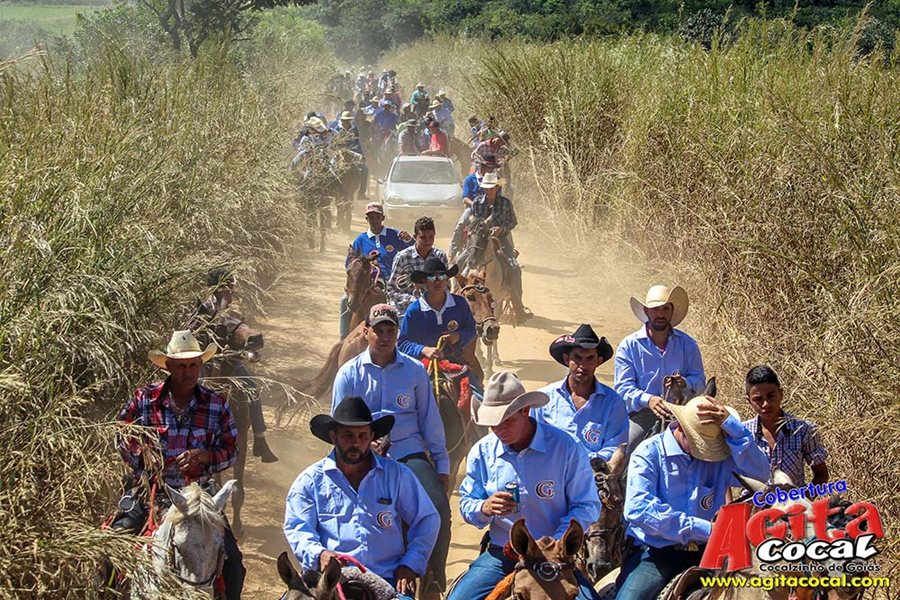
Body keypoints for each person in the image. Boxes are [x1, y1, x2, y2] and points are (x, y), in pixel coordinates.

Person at [332, 304, 451, 599]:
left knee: (438, 509)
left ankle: (434, 575)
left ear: (397, 334)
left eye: (391, 331)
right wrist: (359, 447)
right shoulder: (349, 373)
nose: (385, 337)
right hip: (360, 454)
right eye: (379, 330)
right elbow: (336, 423)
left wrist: (442, 465)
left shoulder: (414, 371)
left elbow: (430, 420)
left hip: (408, 453)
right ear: (366, 331)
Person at [448, 371, 602, 600]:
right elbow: (468, 503)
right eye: (493, 424)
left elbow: (587, 504)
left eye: (506, 421)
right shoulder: (482, 451)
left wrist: (556, 543)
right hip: (503, 554)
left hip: (557, 559)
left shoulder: (566, 448)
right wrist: (484, 508)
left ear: (525, 410)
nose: (499, 429)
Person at [116, 330, 244, 598]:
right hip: (148, 492)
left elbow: (232, 449)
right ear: (169, 366)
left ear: (200, 365)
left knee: (234, 566)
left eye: (193, 365)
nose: (188, 372)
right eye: (182, 366)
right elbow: (121, 434)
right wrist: (147, 457)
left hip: (199, 497)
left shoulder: (216, 404)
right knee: (112, 549)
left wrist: (205, 456)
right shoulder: (144, 399)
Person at [615, 392, 770, 599]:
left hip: (710, 552)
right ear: (681, 427)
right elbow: (638, 509)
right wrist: (707, 529)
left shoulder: (719, 458)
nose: (707, 450)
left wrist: (733, 427)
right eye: (702, 442)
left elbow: (761, 472)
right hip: (655, 553)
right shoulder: (649, 453)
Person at [284, 396, 439, 600]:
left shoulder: (398, 475)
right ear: (333, 436)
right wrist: (318, 553)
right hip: (327, 582)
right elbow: (297, 527)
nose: (356, 443)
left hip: (387, 577)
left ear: (372, 435)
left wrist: (410, 564)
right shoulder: (310, 481)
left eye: (363, 436)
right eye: (348, 435)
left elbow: (427, 518)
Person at [190, 268, 278, 462]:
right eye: (230, 288)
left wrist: (247, 352)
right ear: (221, 288)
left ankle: (260, 438)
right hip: (204, 365)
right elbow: (190, 336)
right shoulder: (202, 310)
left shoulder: (233, 312)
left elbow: (242, 336)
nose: (232, 292)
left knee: (252, 389)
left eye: (232, 288)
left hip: (232, 364)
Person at [614, 285, 706, 454]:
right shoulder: (629, 346)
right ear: (646, 311)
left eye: (665, 309)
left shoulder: (688, 344)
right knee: (623, 451)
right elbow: (622, 389)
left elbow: (700, 381)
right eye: (656, 309)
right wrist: (648, 400)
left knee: (709, 449)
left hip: (682, 414)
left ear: (671, 311)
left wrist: (685, 383)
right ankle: (615, 479)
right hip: (642, 415)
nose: (661, 314)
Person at [534, 324, 629, 461]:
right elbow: (533, 442)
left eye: (589, 358)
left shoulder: (614, 403)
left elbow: (615, 447)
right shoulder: (543, 399)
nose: (583, 366)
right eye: (577, 358)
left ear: (598, 361)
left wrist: (584, 462)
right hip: (550, 474)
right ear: (567, 360)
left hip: (593, 476)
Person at [743, 365, 829, 486]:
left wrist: (804, 500)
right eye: (758, 399)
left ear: (781, 394)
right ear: (749, 401)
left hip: (793, 503)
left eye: (771, 396)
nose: (766, 404)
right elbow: (724, 474)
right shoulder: (742, 433)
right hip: (754, 503)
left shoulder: (803, 430)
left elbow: (821, 474)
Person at [340, 203, 414, 339]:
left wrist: (409, 240)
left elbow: (414, 251)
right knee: (345, 300)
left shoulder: (395, 235)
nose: (374, 220)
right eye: (371, 217)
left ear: (383, 218)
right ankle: (344, 339)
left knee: (411, 302)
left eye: (377, 216)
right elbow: (349, 266)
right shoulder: (360, 240)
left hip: (395, 282)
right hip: (367, 283)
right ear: (366, 219)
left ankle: (407, 338)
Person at [465, 173, 531, 322]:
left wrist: (502, 229)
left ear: (497, 187)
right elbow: (473, 224)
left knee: (514, 268)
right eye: (486, 188)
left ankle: (519, 308)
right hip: (480, 242)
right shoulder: (476, 203)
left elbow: (513, 222)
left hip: (500, 239)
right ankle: (458, 298)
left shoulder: (506, 203)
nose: (489, 191)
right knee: (463, 263)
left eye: (492, 188)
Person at [387, 216, 449, 316]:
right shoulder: (403, 257)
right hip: (406, 311)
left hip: (435, 308)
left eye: (431, 237)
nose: (428, 241)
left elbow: (447, 285)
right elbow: (391, 289)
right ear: (415, 237)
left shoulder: (440, 256)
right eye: (423, 237)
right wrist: (415, 301)